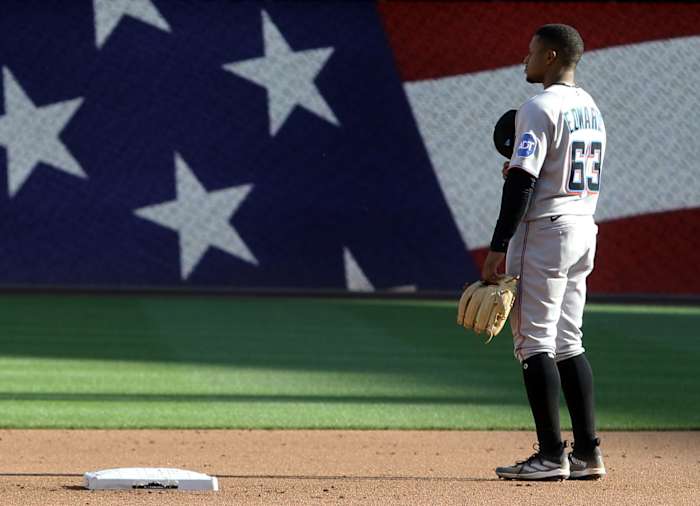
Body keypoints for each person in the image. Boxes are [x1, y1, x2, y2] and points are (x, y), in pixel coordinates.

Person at [481, 23, 607, 481]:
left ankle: (552, 456)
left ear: (551, 57)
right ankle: (588, 454)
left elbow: (522, 181)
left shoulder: (538, 107)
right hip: (582, 226)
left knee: (533, 342)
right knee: (569, 342)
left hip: (546, 230)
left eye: (532, 52)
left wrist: (498, 246)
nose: (525, 59)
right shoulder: (590, 107)